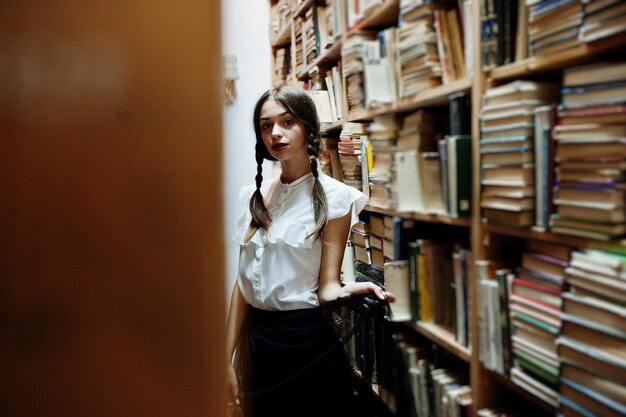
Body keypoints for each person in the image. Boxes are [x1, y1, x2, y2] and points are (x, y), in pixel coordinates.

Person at [226, 84, 395, 417]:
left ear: (308, 126)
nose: (276, 133)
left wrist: (352, 289)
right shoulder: (253, 195)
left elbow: (327, 286)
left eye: (287, 122)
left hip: (304, 341)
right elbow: (243, 286)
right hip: (256, 343)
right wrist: (224, 357)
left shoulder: (336, 198)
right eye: (266, 125)